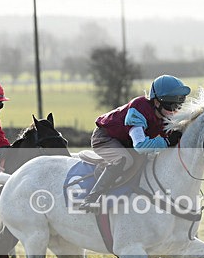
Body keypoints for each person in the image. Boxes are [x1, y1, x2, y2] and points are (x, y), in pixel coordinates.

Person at [78, 74, 190, 212]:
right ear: (156, 102)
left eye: (178, 104)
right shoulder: (139, 108)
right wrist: (166, 141)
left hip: (125, 141)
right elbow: (140, 146)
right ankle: (91, 198)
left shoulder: (165, 114)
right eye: (171, 105)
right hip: (105, 138)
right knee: (124, 159)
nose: (175, 110)